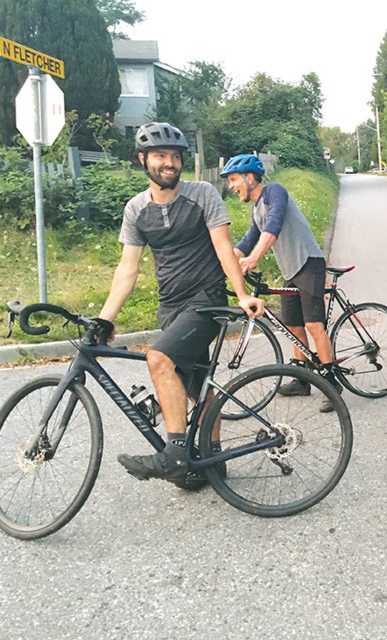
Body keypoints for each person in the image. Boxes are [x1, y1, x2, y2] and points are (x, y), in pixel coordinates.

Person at [96, 122, 265, 486]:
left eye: (175, 157)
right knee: (195, 386)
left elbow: (224, 247)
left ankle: (174, 454)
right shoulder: (136, 210)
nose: (169, 163)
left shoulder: (202, 194)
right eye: (161, 156)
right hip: (170, 308)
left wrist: (241, 293)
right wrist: (105, 319)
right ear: (144, 160)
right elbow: (128, 268)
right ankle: (211, 460)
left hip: (206, 302)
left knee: (159, 360)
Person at [221, 153, 342, 413]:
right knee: (293, 326)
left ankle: (332, 383)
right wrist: (224, 266)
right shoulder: (256, 210)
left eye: (233, 180)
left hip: (309, 263)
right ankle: (302, 379)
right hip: (291, 269)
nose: (231, 186)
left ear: (250, 178)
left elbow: (273, 226)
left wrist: (255, 257)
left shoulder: (275, 192)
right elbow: (245, 243)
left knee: (313, 324)